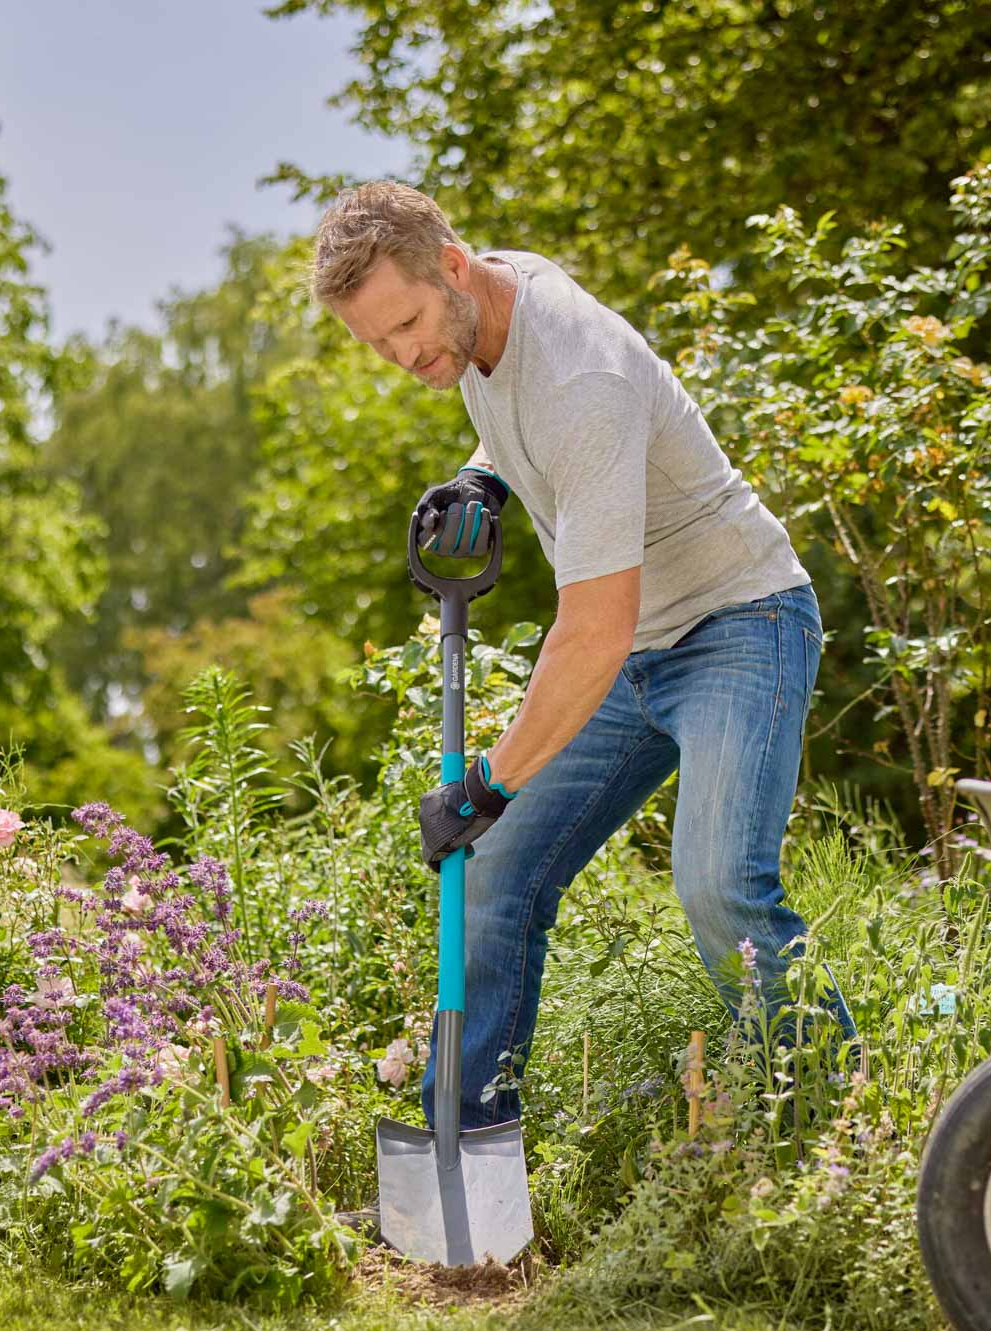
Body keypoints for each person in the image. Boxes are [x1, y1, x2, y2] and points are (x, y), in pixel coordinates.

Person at [310, 180, 856, 1135]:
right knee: (491, 877)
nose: (402, 356)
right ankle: (471, 1138)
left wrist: (488, 783)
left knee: (721, 887)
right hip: (631, 650)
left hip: (739, 623)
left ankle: (841, 1137)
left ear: (449, 267)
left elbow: (592, 634)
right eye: (378, 343)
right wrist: (483, 472)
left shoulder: (582, 379)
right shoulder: (492, 299)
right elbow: (517, 411)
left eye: (405, 326)